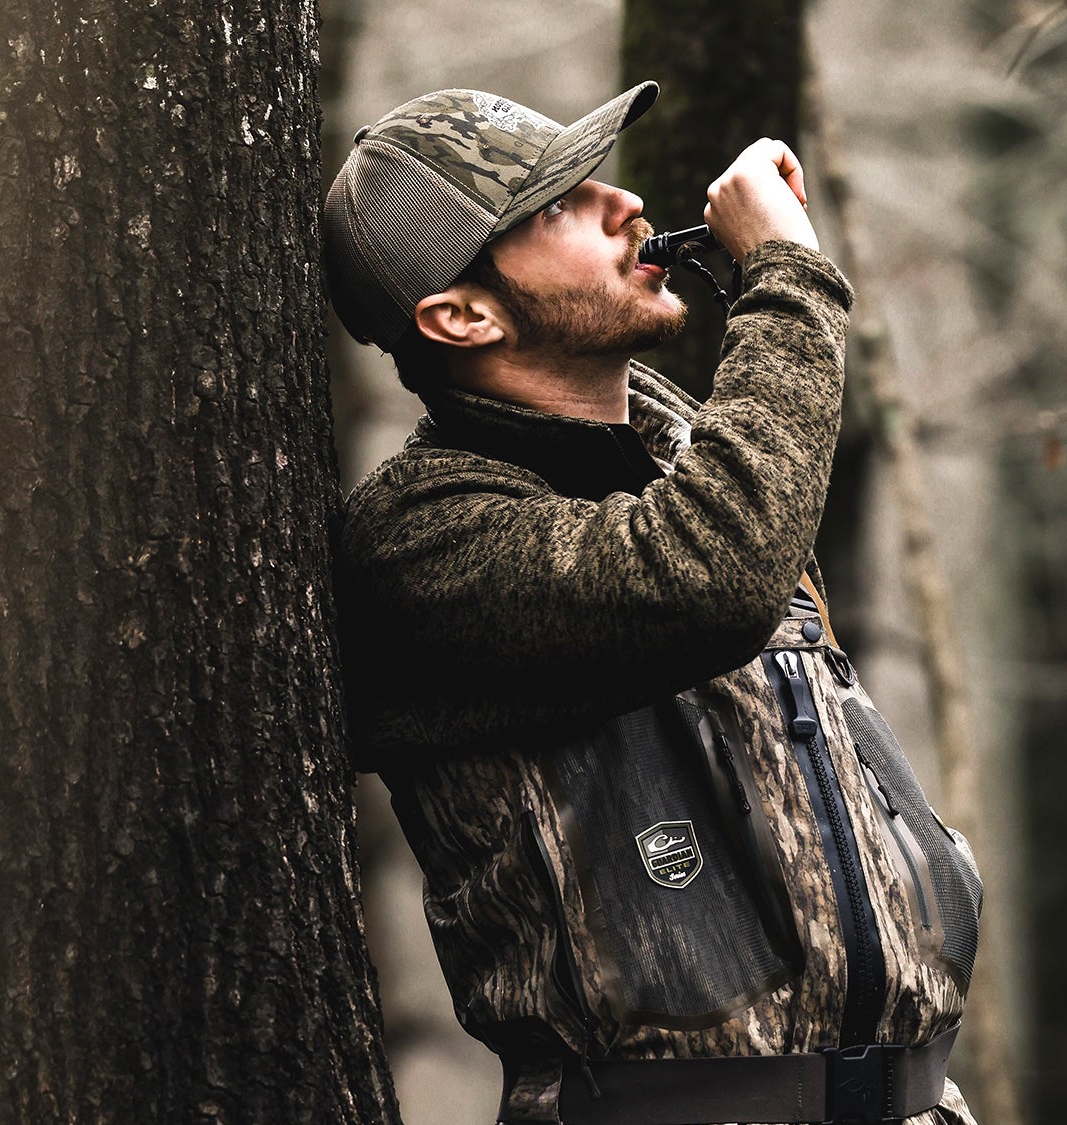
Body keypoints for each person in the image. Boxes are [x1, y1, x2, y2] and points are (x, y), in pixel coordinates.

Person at [323, 81, 984, 1125]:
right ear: (461, 314)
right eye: (554, 207)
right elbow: (706, 577)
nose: (623, 200)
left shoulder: (684, 458)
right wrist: (785, 280)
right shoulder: (425, 536)